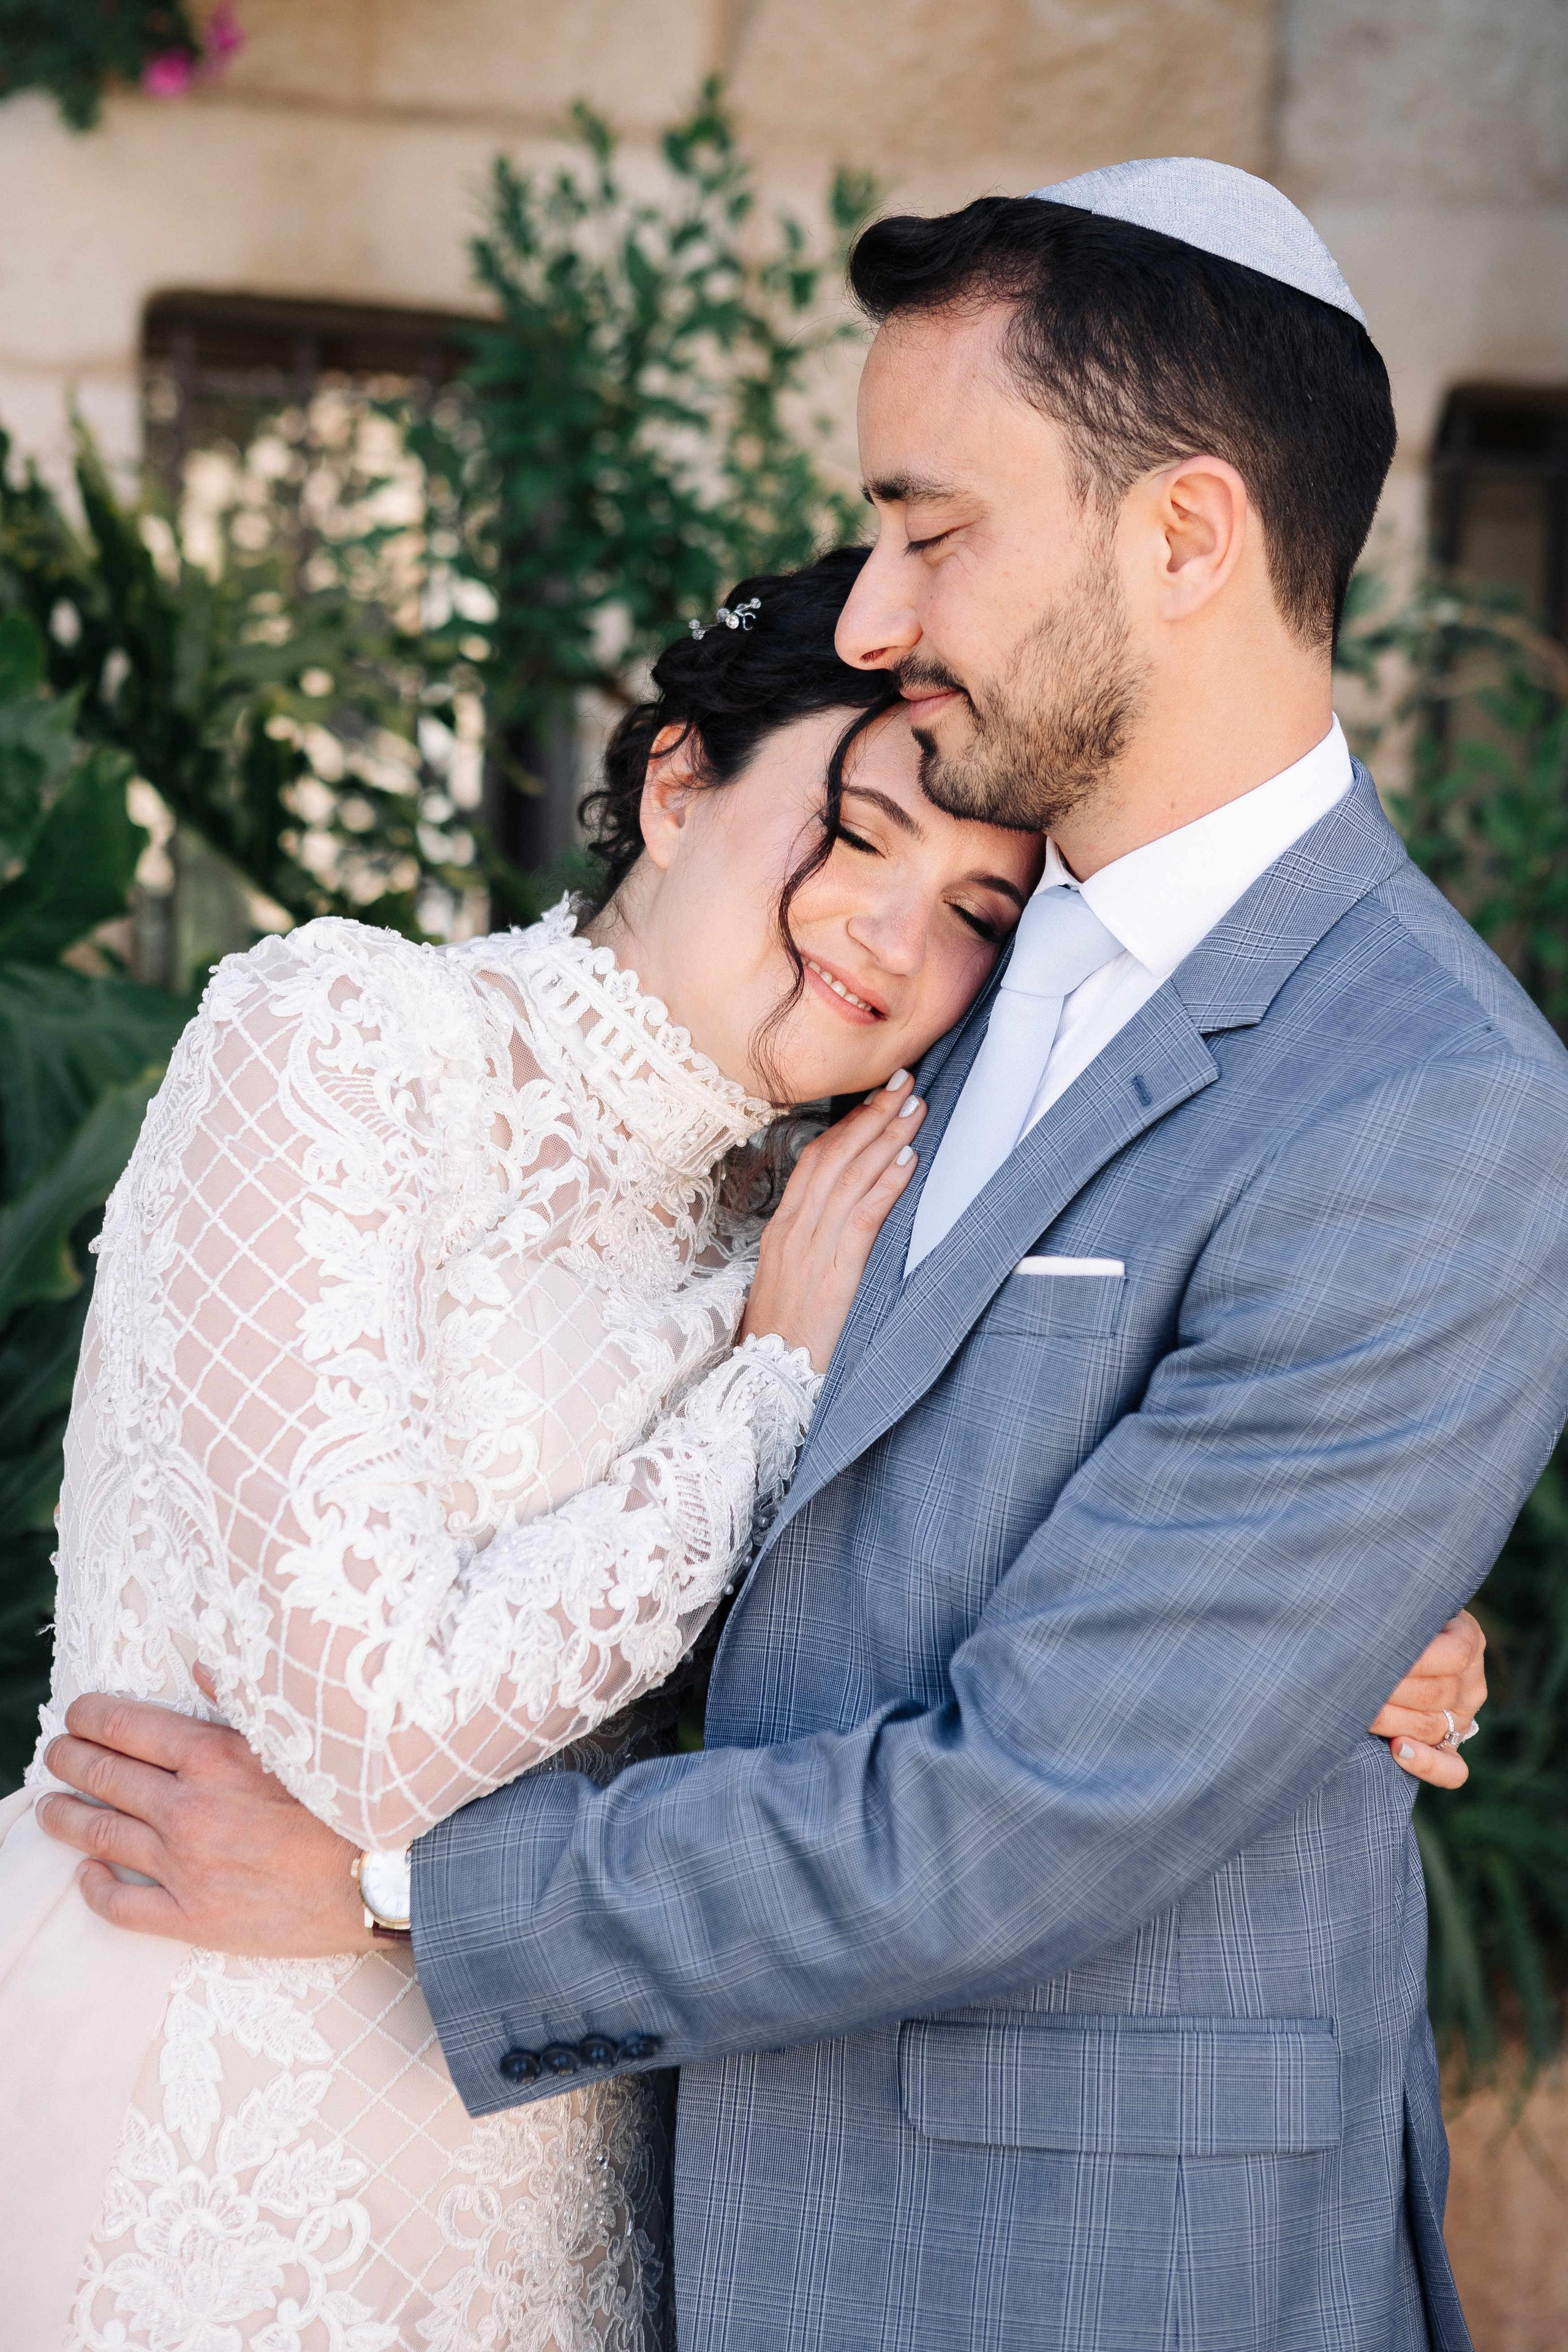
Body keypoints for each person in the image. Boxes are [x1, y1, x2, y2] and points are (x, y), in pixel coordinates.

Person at [32, 157, 1537, 2352]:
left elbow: (1044, 1798)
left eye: (933, 529)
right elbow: (897, 1459)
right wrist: (1333, 1628)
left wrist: (385, 1896)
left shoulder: (1427, 1091)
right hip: (628, 2187)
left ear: (1186, 536)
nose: (876, 612)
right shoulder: (892, 1022)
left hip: (1079, 2269)